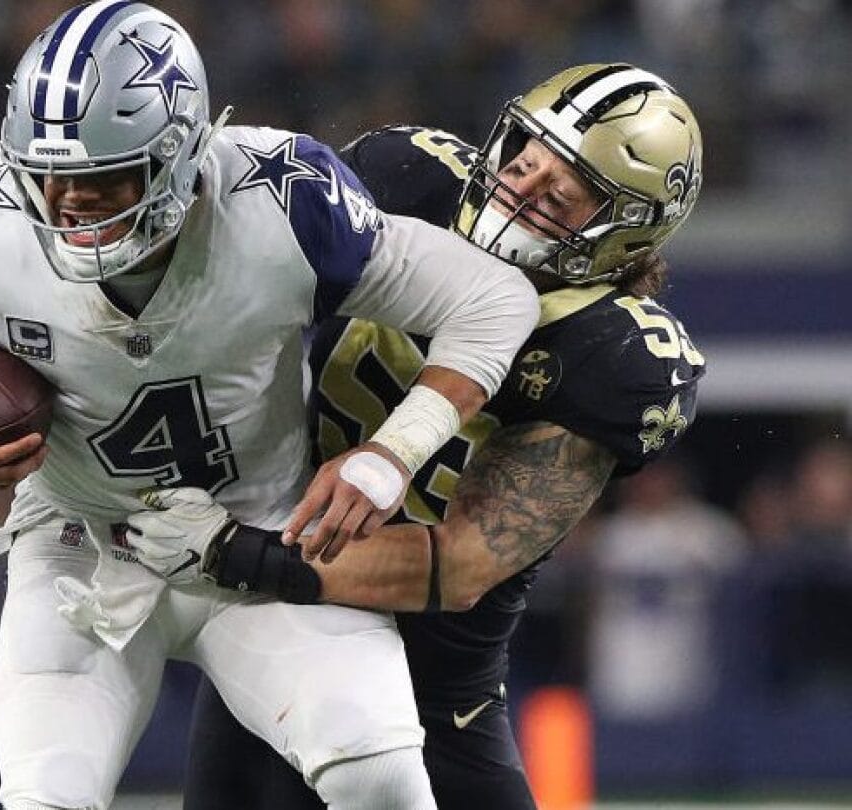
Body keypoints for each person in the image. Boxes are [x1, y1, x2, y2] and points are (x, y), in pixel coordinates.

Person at [0, 3, 539, 808]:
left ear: (179, 152)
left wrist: (392, 453)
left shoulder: (281, 202)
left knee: (381, 777)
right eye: (49, 176)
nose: (68, 204)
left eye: (100, 179)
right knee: (45, 798)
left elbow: (492, 298)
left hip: (263, 527)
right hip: (78, 541)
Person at [135, 63, 706, 809]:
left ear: (625, 235)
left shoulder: (614, 354)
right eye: (522, 162)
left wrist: (233, 553)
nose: (517, 194)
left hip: (433, 692)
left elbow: (460, 564)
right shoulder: (406, 178)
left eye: (558, 198)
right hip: (274, 650)